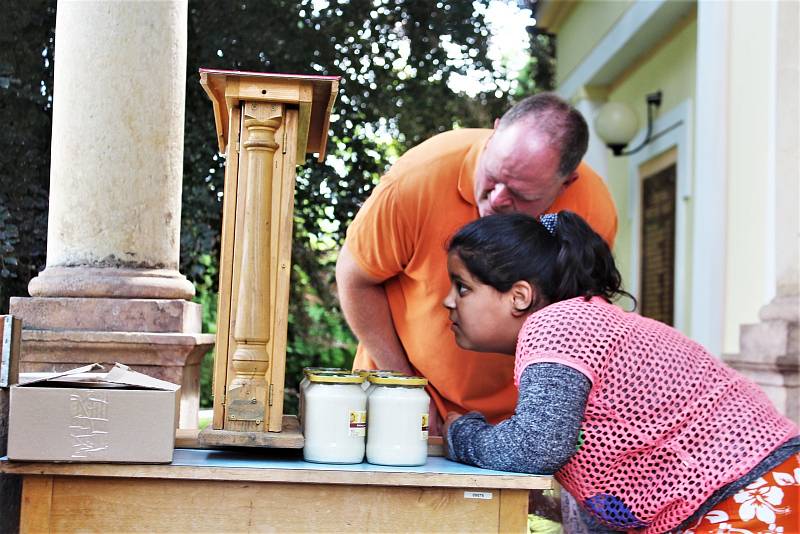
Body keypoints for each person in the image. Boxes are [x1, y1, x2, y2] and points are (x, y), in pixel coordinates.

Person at [442, 211, 800, 533]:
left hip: (748, 495)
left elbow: (534, 447)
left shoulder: (556, 324)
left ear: (519, 296)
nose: (448, 301)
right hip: (753, 490)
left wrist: (461, 434)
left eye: (463, 287)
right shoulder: (578, 326)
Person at [336, 93, 617, 434]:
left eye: (521, 194)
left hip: (516, 417)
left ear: (566, 182)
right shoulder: (418, 179)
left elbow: (575, 325)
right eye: (493, 176)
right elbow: (355, 278)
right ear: (494, 131)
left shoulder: (591, 210)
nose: (497, 199)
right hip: (399, 388)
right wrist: (405, 390)